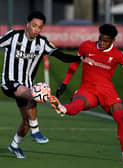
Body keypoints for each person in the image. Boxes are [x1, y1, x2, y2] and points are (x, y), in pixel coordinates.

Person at [50, 24, 123, 162]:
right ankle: (62, 108)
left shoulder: (118, 55)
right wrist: (65, 83)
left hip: (107, 90)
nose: (101, 43)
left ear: (113, 41)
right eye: (100, 39)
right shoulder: (86, 46)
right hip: (88, 88)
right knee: (77, 104)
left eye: (105, 41)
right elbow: (74, 64)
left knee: (121, 116)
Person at [0, 11, 83, 159]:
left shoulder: (42, 43)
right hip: (10, 82)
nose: (36, 29)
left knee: (26, 121)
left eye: (39, 27)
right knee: (37, 92)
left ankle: (14, 145)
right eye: (34, 25)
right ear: (27, 24)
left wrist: (80, 59)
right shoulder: (13, 36)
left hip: (26, 86)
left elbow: (61, 56)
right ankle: (36, 131)